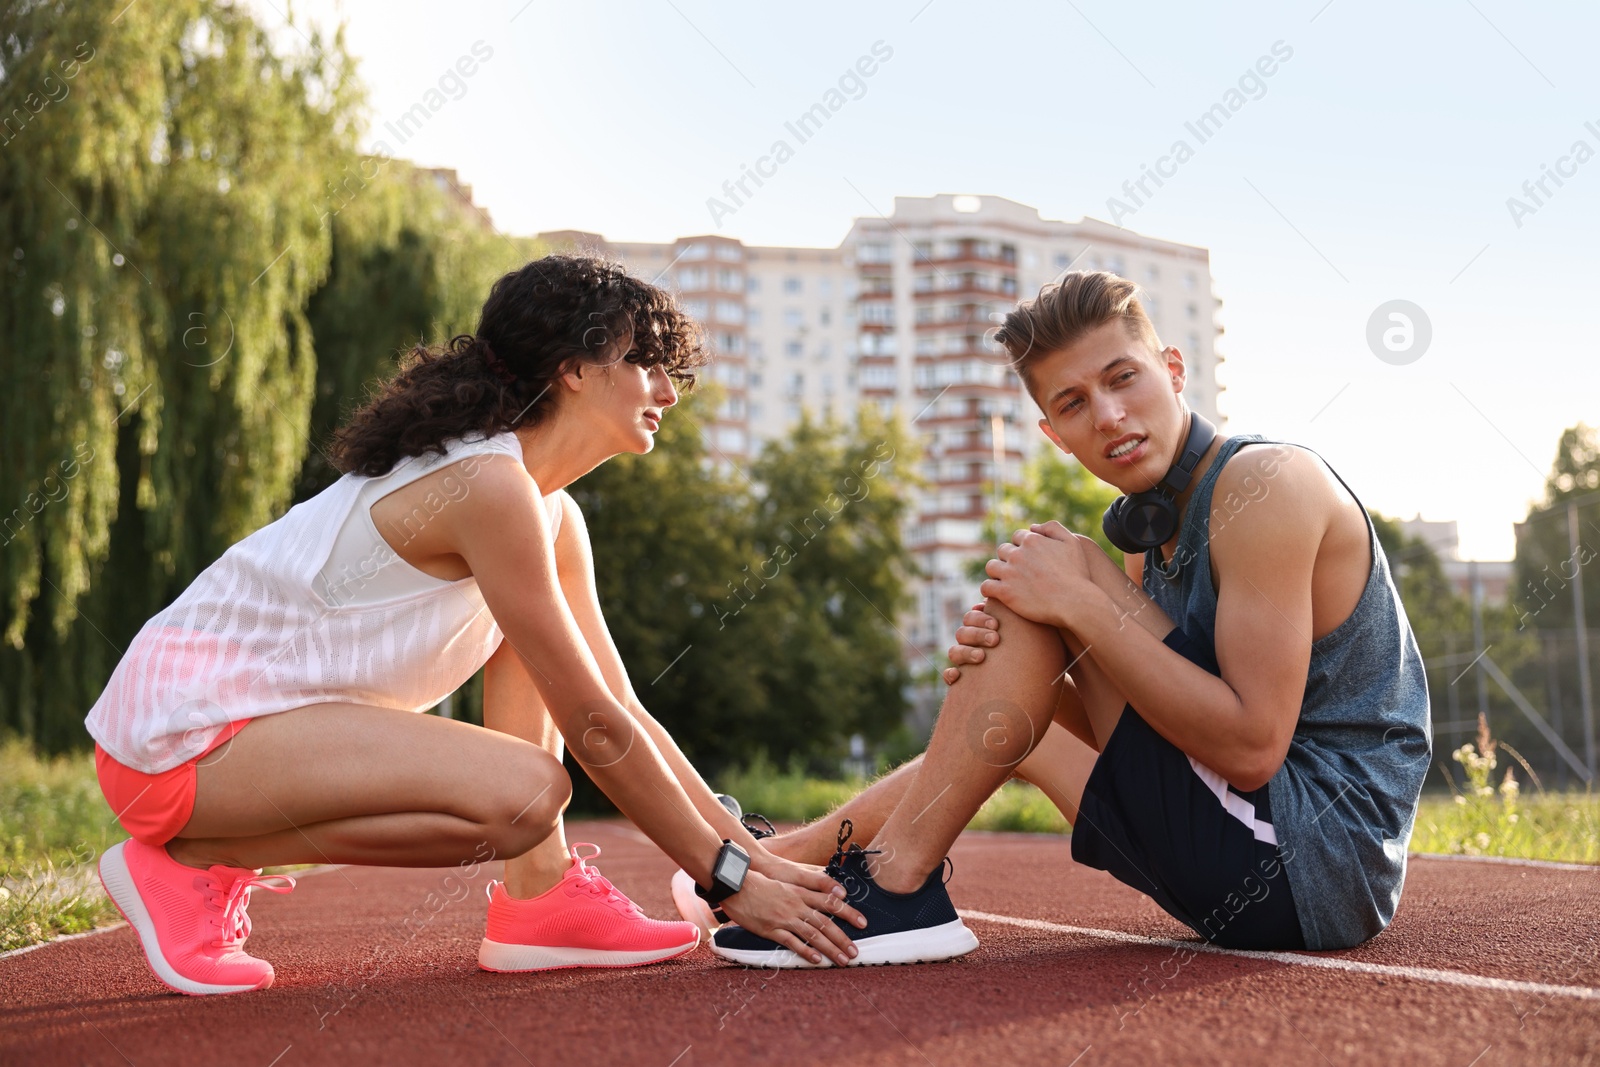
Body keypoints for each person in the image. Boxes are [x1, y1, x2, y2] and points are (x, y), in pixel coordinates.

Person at [86, 254, 866, 996]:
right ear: (574, 368)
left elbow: (616, 705)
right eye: (643, 362)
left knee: (535, 744)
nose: (666, 388)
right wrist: (726, 883)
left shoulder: (546, 512)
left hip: (254, 738)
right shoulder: (485, 486)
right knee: (525, 792)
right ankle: (191, 860)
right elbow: (594, 730)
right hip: (179, 739)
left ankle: (541, 897)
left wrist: (752, 857)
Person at [702, 270, 1431, 966]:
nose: (1109, 415)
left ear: (1174, 369)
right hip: (1245, 849)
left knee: (1059, 567)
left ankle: (897, 889)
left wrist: (1074, 605)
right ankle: (776, 865)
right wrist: (1010, 681)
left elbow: (1249, 748)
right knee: (1022, 674)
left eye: (1123, 377)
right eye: (1074, 402)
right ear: (1053, 432)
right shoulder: (1151, 536)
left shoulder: (1268, 487)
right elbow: (1155, 715)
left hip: (1311, 862)